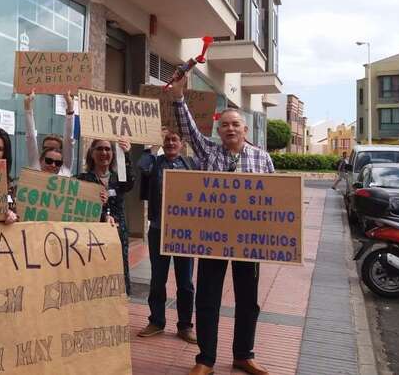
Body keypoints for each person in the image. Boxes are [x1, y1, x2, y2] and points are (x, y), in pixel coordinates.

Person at [170, 72, 274, 375]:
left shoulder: (262, 159)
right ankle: (205, 359)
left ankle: (244, 354)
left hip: (248, 242)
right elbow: (188, 129)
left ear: (244, 129)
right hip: (212, 239)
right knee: (207, 298)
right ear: (219, 129)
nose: (230, 128)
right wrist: (178, 95)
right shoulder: (209, 152)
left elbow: (274, 201)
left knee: (248, 300)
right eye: (225, 124)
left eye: (235, 124)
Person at [136, 130, 197, 344]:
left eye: (175, 140)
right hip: (158, 230)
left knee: (186, 282)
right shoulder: (154, 162)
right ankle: (156, 321)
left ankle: (185, 326)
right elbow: (142, 167)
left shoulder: (191, 164)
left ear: (182, 143)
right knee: (157, 279)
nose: (171, 143)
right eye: (167, 140)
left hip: (184, 233)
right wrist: (151, 146)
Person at [77, 139, 135, 294]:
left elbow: (130, 182)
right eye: (100, 149)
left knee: (117, 274)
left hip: (117, 235)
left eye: (108, 149)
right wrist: (101, 213)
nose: (104, 153)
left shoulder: (119, 178)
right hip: (91, 237)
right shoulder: (83, 179)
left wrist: (126, 154)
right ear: (92, 153)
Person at [24, 90, 76, 175]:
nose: (53, 165)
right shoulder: (36, 166)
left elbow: (69, 140)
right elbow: (30, 137)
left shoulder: (65, 169)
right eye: (46, 149)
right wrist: (27, 107)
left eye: (57, 150)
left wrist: (70, 108)